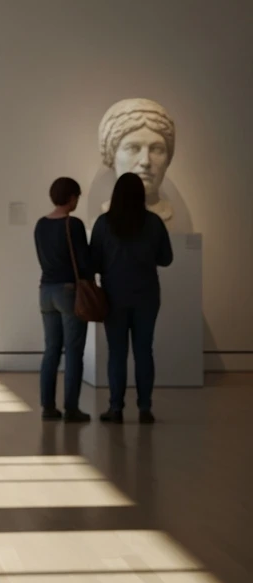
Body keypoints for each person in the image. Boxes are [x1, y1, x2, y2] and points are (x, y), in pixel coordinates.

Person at [91, 171, 173, 425]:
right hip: (147, 294)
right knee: (143, 351)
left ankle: (115, 408)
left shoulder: (104, 223)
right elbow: (166, 259)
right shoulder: (154, 223)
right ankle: (145, 407)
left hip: (114, 295)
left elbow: (93, 261)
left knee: (117, 353)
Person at [34, 177, 93, 422]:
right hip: (68, 292)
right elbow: (84, 261)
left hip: (45, 291)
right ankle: (71, 408)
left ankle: (48, 407)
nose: (77, 200)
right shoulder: (74, 224)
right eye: (77, 196)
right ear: (71, 197)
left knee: (51, 351)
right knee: (73, 352)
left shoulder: (40, 225)